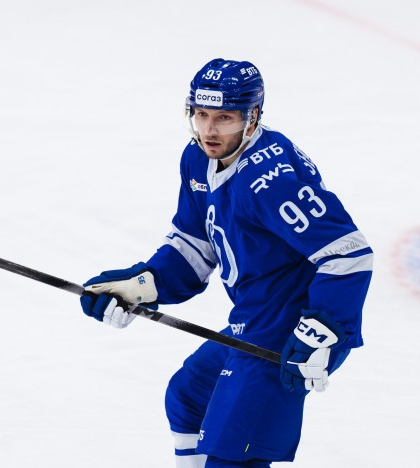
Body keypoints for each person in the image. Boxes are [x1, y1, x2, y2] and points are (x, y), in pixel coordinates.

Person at [79, 58, 373, 467]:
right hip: (254, 321)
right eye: (201, 115)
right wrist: (142, 285)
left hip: (292, 334)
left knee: (233, 454)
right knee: (190, 395)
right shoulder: (197, 159)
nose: (209, 130)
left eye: (224, 118)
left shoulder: (270, 180)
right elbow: (195, 245)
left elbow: (348, 253)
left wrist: (324, 330)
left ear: (252, 118)